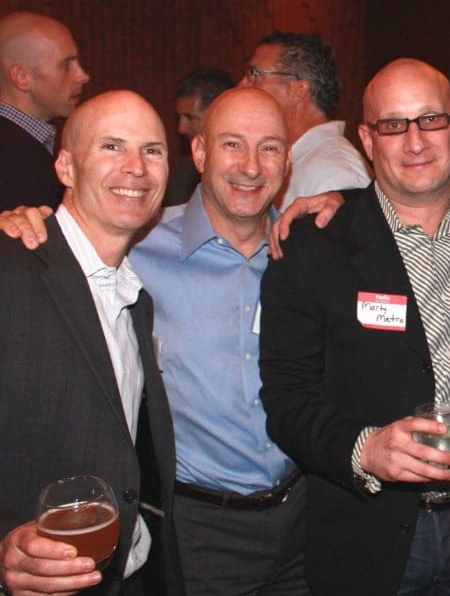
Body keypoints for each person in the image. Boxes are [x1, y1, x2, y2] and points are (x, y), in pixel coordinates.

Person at [0, 88, 312, 595]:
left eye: (150, 151)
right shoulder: (140, 253)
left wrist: (346, 201)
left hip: (303, 520)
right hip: (197, 531)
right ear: (200, 153)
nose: (251, 166)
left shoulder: (309, 249)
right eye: (111, 147)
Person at [259, 58, 450, 595]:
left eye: (431, 120)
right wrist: (363, 450)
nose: (416, 141)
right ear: (367, 141)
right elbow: (286, 400)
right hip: (371, 533)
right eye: (393, 125)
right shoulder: (315, 245)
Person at [0, 90, 182, 596]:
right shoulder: (11, 266)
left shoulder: (134, 294)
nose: (136, 169)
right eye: (111, 147)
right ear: (65, 166)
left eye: (152, 150)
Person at [239, 31, 370, 208]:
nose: (242, 85)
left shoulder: (336, 174)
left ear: (297, 90)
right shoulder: (301, 160)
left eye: (254, 74)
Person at [0, 11, 90, 209]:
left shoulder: (24, 147)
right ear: (22, 77)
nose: (83, 76)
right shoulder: (15, 162)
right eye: (67, 65)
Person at [163, 67, 234, 206]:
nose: (181, 128)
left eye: (190, 118)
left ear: (218, 113)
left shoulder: (254, 170)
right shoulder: (182, 178)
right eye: (180, 117)